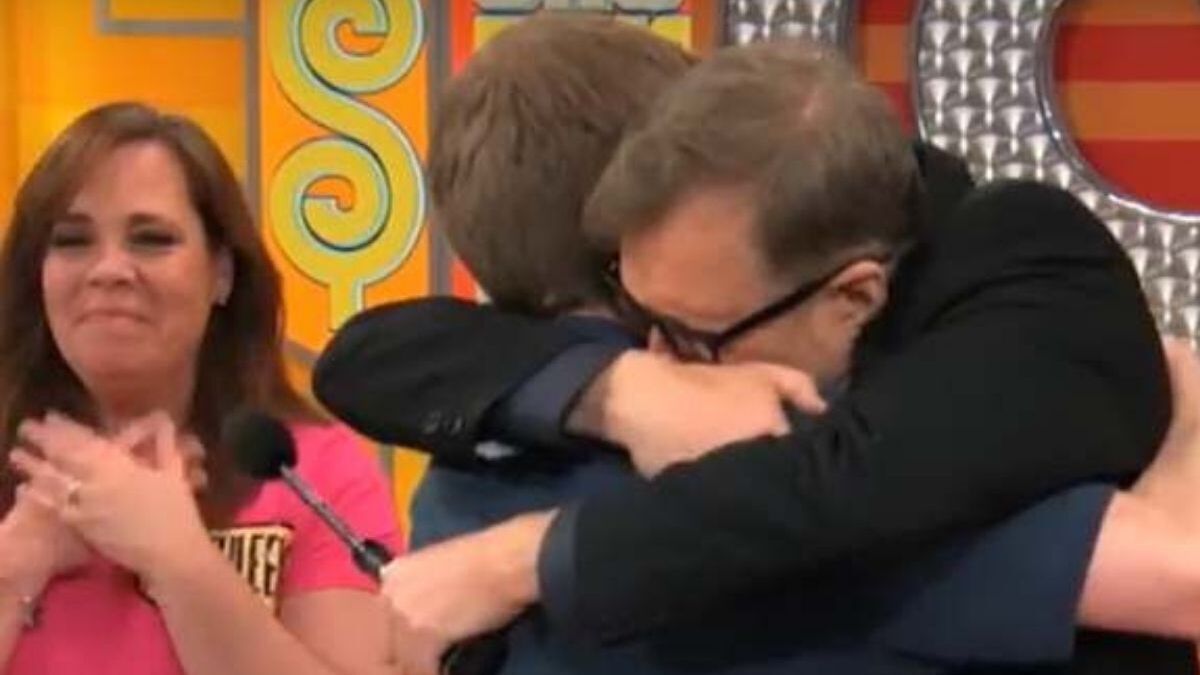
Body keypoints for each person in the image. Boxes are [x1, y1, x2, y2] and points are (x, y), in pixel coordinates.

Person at [317, 38, 1200, 673]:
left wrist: (527, 542)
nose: (666, 352)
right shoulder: (766, 465)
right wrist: (1188, 428)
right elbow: (1175, 574)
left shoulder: (466, 479)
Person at [0, 102, 399, 675]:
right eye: (71, 240)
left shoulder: (313, 470)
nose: (109, 270)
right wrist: (15, 564)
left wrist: (177, 558)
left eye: (151, 239)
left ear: (222, 273)